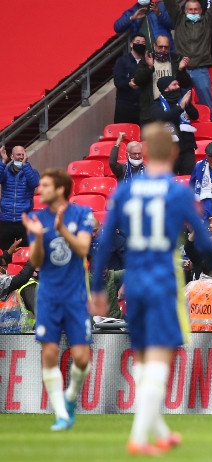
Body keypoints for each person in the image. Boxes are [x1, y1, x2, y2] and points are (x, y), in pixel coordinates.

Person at [90, 122, 212, 455]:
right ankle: (138, 439)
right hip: (163, 282)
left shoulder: (124, 191)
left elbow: (105, 241)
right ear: (175, 153)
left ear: (147, 152)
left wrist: (96, 287)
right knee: (159, 361)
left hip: (133, 282)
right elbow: (203, 241)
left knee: (144, 358)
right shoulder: (177, 192)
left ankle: (160, 432)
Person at [21, 169, 94, 432]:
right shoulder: (36, 218)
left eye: (46, 185)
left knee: (82, 357)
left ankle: (70, 397)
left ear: (60, 189)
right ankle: (62, 415)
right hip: (49, 295)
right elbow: (37, 261)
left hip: (75, 296)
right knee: (49, 353)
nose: (40, 190)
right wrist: (39, 236)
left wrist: (62, 229)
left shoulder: (82, 214)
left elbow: (84, 249)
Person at [163, 0, 212, 122]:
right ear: (185, 11)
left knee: (207, 104)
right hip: (182, 71)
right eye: (190, 10)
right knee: (182, 104)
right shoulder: (179, 20)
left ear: (201, 11)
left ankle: (211, 126)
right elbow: (170, 4)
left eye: (196, 9)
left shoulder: (207, 22)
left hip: (200, 70)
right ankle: (185, 129)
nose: (193, 12)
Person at [133, 35, 192, 124]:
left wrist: (181, 70)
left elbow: (186, 84)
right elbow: (138, 81)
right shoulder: (147, 60)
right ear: (155, 46)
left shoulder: (176, 60)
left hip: (172, 109)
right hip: (150, 110)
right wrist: (149, 67)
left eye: (166, 47)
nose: (163, 49)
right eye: (160, 47)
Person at [149, 76, 199, 175]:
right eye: (174, 84)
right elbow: (162, 117)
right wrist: (180, 107)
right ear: (165, 88)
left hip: (187, 148)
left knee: (189, 180)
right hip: (168, 150)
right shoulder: (156, 104)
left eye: (178, 84)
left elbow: (195, 116)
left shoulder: (183, 100)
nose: (177, 87)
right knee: (170, 182)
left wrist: (187, 104)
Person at [0, 146, 41, 249]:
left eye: (23, 154)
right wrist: (3, 161)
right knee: (5, 255)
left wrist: (25, 165)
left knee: (24, 253)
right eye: (18, 155)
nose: (21, 157)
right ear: (12, 156)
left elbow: (34, 183)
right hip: (6, 220)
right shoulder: (5, 172)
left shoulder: (32, 172)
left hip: (24, 221)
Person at [113, 34, 147, 124]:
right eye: (138, 42)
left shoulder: (147, 62)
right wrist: (129, 83)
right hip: (125, 107)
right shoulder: (121, 61)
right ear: (131, 44)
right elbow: (118, 82)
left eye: (143, 43)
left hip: (142, 108)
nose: (140, 44)